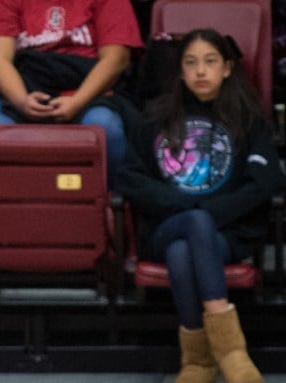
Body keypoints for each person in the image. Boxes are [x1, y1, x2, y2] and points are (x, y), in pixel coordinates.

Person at [116, 29, 285, 383]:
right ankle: (232, 353)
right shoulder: (155, 118)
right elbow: (129, 177)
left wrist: (211, 214)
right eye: (191, 63)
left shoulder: (248, 118)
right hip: (167, 226)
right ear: (180, 71)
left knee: (183, 251)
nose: (200, 71)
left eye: (210, 62)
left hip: (226, 234)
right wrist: (185, 206)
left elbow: (267, 180)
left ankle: (198, 362)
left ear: (227, 68)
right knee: (191, 226)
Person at [0, 0, 143, 185]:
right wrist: (22, 100)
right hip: (22, 89)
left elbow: (117, 59)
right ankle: (5, 207)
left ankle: (111, 205)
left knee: (105, 128)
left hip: (89, 91)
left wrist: (77, 101)